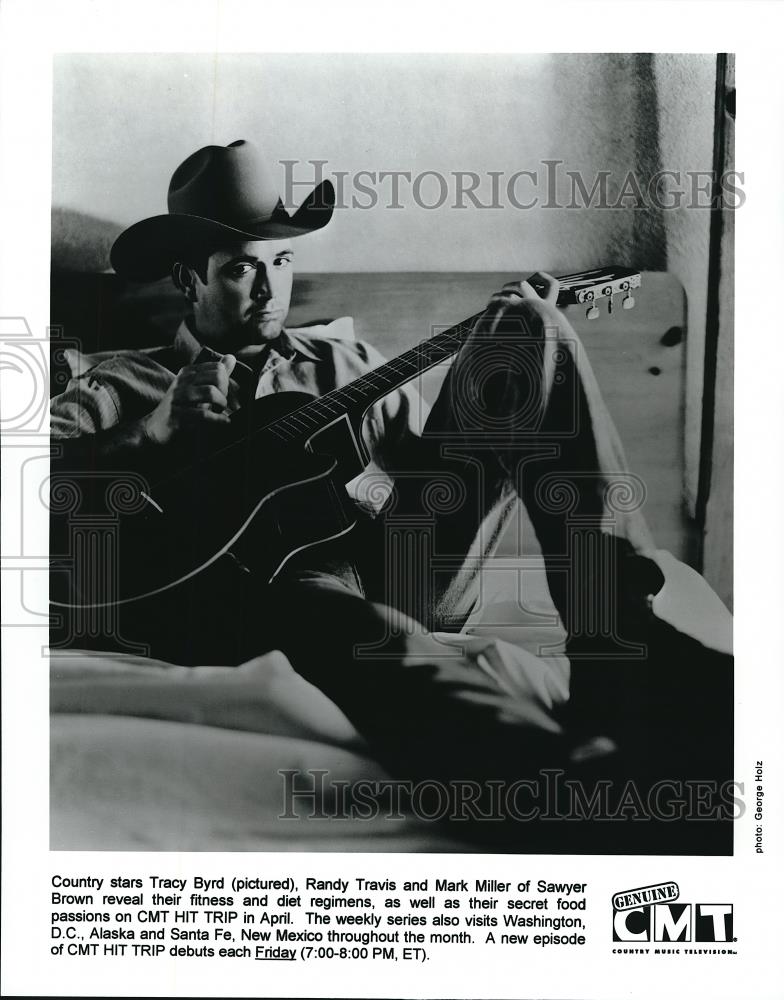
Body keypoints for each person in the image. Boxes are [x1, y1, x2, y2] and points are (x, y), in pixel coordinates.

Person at [50, 140, 733, 850]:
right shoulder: (123, 380)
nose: (268, 291)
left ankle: (617, 638)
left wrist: (496, 351)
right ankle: (547, 779)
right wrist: (153, 433)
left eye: (282, 263)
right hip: (267, 591)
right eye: (243, 268)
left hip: (400, 563)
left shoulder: (343, 364)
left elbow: (435, 480)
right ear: (188, 279)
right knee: (336, 620)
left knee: (526, 330)